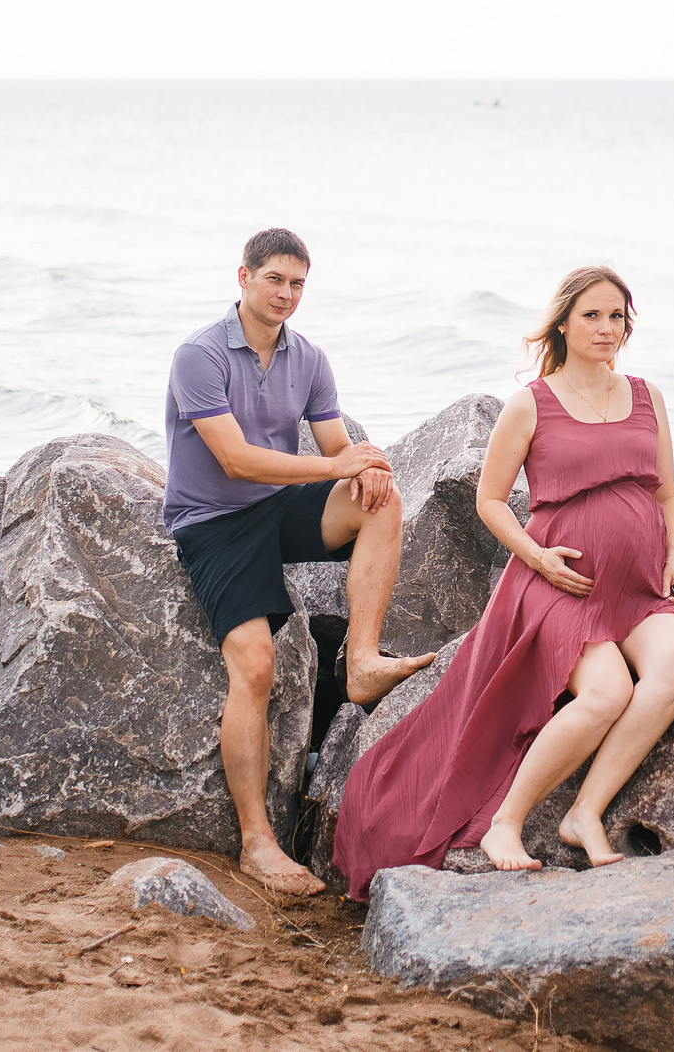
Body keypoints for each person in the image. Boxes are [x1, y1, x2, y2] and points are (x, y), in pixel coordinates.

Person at [331, 266, 674, 889]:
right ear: (562, 321)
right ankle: (507, 821)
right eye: (592, 315)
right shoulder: (533, 402)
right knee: (606, 693)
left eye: (617, 316)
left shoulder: (646, 395)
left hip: (637, 586)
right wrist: (538, 558)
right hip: (560, 585)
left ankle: (585, 813)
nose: (607, 328)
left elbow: (664, 491)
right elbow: (490, 501)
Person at [163, 227, 434, 897]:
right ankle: (258, 842)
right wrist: (335, 463)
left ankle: (363, 659)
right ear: (244, 276)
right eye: (274, 279)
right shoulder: (199, 355)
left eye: (297, 283)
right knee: (255, 663)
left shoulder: (308, 358)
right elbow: (234, 458)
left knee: (383, 501)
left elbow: (339, 445)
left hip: (280, 508)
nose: (286, 294)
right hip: (215, 521)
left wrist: (365, 468)